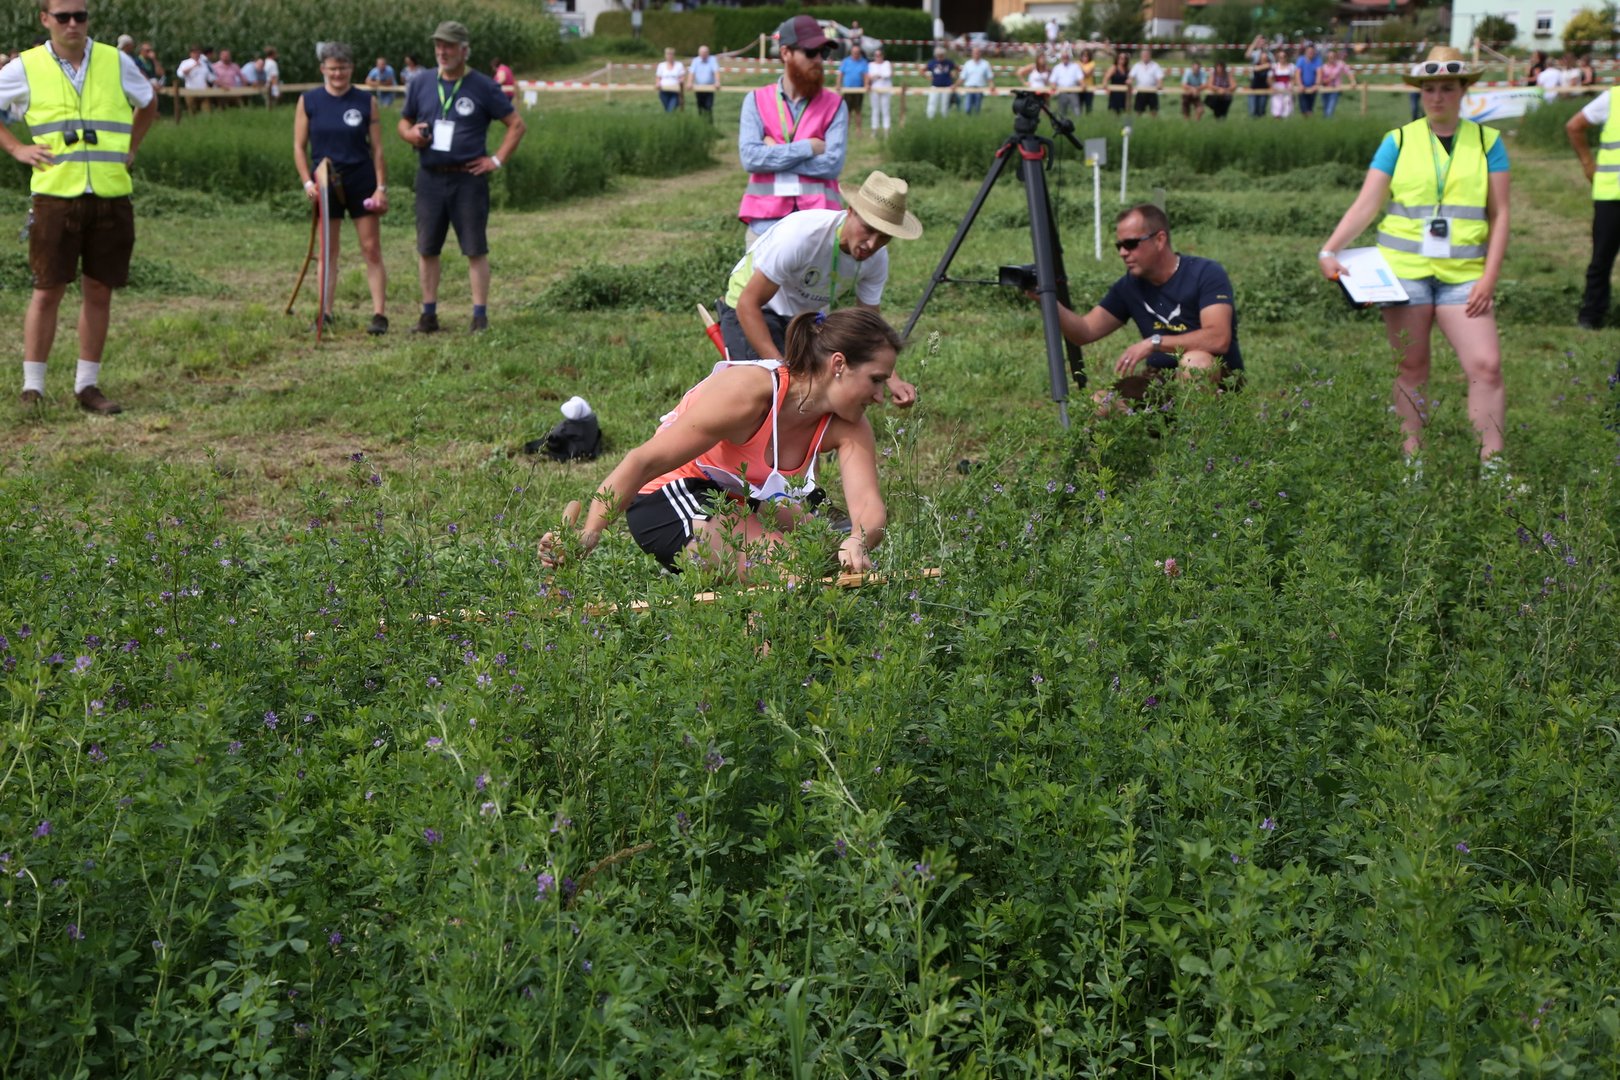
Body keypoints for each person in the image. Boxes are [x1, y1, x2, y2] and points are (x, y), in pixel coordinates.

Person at [539, 308, 904, 578]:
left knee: (825, 550)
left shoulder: (849, 424)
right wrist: (590, 532)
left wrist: (857, 540)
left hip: (739, 498)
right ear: (838, 364)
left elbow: (868, 508)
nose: (879, 396)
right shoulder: (749, 393)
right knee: (792, 568)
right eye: (875, 380)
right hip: (669, 496)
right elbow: (642, 462)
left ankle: (753, 615)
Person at [1318, 48, 1510, 474]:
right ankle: (1414, 464)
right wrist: (1328, 250)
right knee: (1411, 367)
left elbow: (1500, 215)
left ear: (1464, 90)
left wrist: (1489, 278)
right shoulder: (1398, 140)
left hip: (1464, 276)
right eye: (1429, 89)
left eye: (1447, 88)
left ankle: (1494, 468)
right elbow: (1366, 204)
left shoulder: (1488, 142)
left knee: (1486, 367)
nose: (1438, 97)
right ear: (1420, 93)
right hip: (1404, 276)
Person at [0, 0, 157, 413]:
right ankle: (33, 387)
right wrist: (16, 148)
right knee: (47, 290)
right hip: (55, 195)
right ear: (45, 19)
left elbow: (148, 101)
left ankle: (87, 386)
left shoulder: (115, 60)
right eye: (63, 16)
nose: (73, 23)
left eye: (80, 16)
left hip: (110, 194)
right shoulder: (25, 66)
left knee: (99, 290)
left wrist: (131, 147)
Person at [715, 170, 922, 408]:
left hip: (803, 319)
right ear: (850, 211)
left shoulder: (877, 258)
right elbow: (747, 304)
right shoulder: (801, 236)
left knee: (820, 391)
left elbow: (870, 326)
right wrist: (781, 369)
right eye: (868, 229)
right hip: (752, 308)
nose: (872, 244)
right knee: (767, 392)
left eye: (884, 237)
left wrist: (892, 379)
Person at [1047, 204, 1243, 413]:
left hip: (1218, 380)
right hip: (1158, 380)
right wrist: (1046, 298)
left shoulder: (1205, 273)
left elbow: (1219, 338)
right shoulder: (1129, 286)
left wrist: (1154, 343)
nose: (1123, 252)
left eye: (1131, 244)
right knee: (1100, 403)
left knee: (1194, 364)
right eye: (1119, 246)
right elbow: (1084, 331)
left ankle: (1200, 433)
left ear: (1159, 239)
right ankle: (1149, 432)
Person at [398, 20, 527, 334]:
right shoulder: (421, 82)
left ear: (464, 50)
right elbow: (404, 122)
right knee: (427, 248)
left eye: (450, 46)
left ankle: (479, 316)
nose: (443, 51)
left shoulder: (483, 86)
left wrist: (495, 160)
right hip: (430, 177)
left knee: (474, 248)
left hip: (468, 179)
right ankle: (428, 315)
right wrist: (410, 134)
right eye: (439, 45)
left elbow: (516, 125)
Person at [295, 41, 390, 334]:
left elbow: (377, 149)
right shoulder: (309, 101)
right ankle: (325, 312)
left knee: (371, 248)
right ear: (323, 69)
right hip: (325, 181)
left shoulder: (365, 101)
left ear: (351, 68)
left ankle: (379, 315)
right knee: (328, 251)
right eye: (333, 68)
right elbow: (298, 147)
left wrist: (381, 187)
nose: (338, 74)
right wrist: (307, 182)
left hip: (361, 179)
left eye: (343, 68)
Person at [737, 15, 847, 250]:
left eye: (823, 53)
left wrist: (774, 152)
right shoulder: (755, 100)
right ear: (786, 53)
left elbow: (832, 165)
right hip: (765, 227)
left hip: (819, 227)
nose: (819, 60)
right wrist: (808, 147)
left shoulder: (836, 105)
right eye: (811, 52)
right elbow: (750, 159)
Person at [1564, 81, 1620, 328]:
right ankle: (1591, 315)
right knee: (1601, 259)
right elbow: (1574, 126)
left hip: (1610, 195)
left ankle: (1591, 316)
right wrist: (1588, 163)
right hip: (1611, 194)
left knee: (1601, 259)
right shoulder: (1614, 98)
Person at [176, 42, 212, 115]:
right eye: (195, 53)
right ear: (191, 53)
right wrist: (193, 66)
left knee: (207, 111)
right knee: (192, 111)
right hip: (190, 90)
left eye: (198, 53)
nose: (197, 54)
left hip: (203, 91)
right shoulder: (185, 63)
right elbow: (180, 74)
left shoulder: (204, 63)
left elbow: (209, 77)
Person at [837, 44, 867, 130]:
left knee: (858, 111)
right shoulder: (845, 61)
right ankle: (846, 130)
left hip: (859, 90)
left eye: (857, 52)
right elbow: (840, 74)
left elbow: (866, 75)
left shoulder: (863, 62)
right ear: (851, 52)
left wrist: (866, 84)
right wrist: (838, 84)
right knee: (847, 112)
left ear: (860, 53)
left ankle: (858, 131)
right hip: (847, 90)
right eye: (854, 52)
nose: (856, 54)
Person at [864, 47, 892, 135]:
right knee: (875, 110)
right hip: (874, 89)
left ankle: (886, 130)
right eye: (876, 55)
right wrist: (877, 76)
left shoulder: (887, 63)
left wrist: (877, 75)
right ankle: (874, 129)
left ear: (883, 56)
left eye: (879, 55)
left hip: (885, 89)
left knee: (885, 110)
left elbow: (888, 74)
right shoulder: (871, 65)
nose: (878, 57)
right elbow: (869, 76)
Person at [1128, 46, 1163, 116]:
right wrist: (1130, 81)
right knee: (1138, 111)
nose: (1145, 56)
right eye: (1144, 55)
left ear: (1150, 56)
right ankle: (1138, 122)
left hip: (1152, 91)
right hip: (1140, 91)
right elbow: (1131, 77)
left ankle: (1154, 122)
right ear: (1141, 56)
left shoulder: (1155, 66)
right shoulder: (1136, 66)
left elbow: (1159, 78)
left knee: (1154, 111)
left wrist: (1159, 84)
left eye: (1147, 55)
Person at [924, 45, 957, 119]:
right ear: (936, 55)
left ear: (944, 55)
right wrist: (929, 78)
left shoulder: (949, 62)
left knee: (945, 104)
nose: (940, 57)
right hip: (935, 86)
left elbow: (957, 68)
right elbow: (922, 70)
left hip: (947, 86)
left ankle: (944, 119)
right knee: (932, 103)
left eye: (941, 55)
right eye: (938, 56)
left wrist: (954, 74)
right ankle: (930, 118)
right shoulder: (932, 63)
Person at [1319, 49, 1353, 118]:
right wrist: (1329, 79)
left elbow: (1349, 72)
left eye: (1334, 56)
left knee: (1329, 110)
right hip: (1325, 90)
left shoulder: (1340, 64)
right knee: (1325, 110)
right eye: (1330, 57)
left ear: (1336, 57)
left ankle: (1328, 120)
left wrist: (1353, 81)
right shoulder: (1324, 67)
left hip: (1335, 90)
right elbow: (1320, 81)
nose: (1332, 58)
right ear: (1327, 58)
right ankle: (1326, 123)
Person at [688, 44, 719, 121]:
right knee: (700, 107)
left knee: (708, 107)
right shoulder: (695, 61)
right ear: (699, 53)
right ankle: (701, 123)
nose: (703, 54)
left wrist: (717, 81)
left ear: (708, 53)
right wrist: (689, 82)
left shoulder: (712, 60)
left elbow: (716, 71)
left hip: (709, 88)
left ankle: (709, 124)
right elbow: (691, 73)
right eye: (701, 53)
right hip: (699, 88)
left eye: (705, 53)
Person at [960, 44, 993, 115]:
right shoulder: (967, 64)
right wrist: (955, 85)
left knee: (977, 107)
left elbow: (989, 77)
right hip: (969, 88)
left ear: (980, 53)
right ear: (972, 54)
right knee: (967, 108)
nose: (976, 54)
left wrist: (991, 85)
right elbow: (962, 77)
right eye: (975, 52)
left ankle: (976, 119)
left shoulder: (985, 64)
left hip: (979, 88)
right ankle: (968, 119)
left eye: (978, 52)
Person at [1052, 49, 1083, 119]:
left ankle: (1079, 123)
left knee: (1077, 111)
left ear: (1069, 57)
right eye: (1063, 57)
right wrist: (1053, 86)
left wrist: (1083, 85)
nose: (1065, 58)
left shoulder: (1075, 66)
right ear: (1061, 58)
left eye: (1066, 57)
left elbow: (1080, 78)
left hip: (1073, 92)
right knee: (1062, 112)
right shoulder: (1057, 68)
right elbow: (1053, 80)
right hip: (1062, 92)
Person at [1246, 36, 1271, 119]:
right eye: (1260, 42)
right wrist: (1254, 42)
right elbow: (1247, 55)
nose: (1262, 44)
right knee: (1252, 109)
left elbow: (1271, 66)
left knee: (1261, 109)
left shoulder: (1270, 54)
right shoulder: (1255, 53)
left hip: (1265, 82)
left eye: (1263, 42)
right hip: (1254, 82)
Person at [655, 47, 684, 113]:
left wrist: (681, 81)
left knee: (670, 110)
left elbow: (682, 77)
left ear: (674, 55)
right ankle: (670, 119)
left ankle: (670, 118)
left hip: (675, 92)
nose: (670, 56)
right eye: (668, 54)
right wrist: (658, 83)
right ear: (665, 55)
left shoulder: (679, 65)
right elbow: (658, 77)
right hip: (664, 91)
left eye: (671, 54)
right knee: (667, 109)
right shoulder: (661, 65)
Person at [1296, 44, 1321, 117]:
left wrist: (1316, 84)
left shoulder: (1317, 60)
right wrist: (1300, 84)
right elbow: (1297, 73)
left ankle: (1309, 121)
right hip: (1303, 87)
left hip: (1312, 87)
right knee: (1303, 109)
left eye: (1312, 51)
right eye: (1309, 51)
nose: (1310, 53)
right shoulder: (1301, 60)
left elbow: (1319, 73)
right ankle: (1306, 120)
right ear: (1306, 52)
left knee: (1310, 108)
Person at [1270, 47, 1294, 118]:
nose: (1282, 59)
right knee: (1277, 105)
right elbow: (1270, 78)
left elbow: (1293, 78)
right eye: (1280, 57)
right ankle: (1277, 119)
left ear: (1286, 57)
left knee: (1287, 105)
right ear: (1278, 58)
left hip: (1287, 87)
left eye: (1284, 57)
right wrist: (1272, 86)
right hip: (1277, 87)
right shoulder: (1275, 66)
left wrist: (1291, 85)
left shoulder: (1291, 66)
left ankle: (1286, 120)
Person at [1078, 48, 1096, 114]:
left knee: (1088, 106)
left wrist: (1079, 68)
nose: (1084, 58)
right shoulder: (1078, 63)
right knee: (1079, 105)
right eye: (1083, 56)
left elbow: (1087, 74)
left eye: (1086, 56)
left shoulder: (1092, 63)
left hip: (1089, 88)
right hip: (1079, 88)